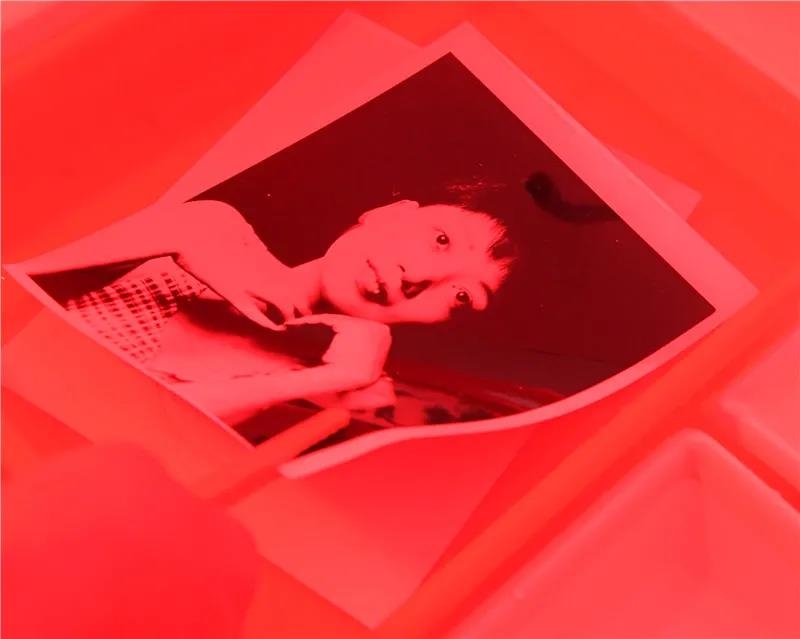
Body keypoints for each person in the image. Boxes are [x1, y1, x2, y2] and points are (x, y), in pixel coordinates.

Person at [36, 198, 516, 424]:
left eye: (462, 296)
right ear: (388, 212)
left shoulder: (339, 395)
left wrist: (328, 378)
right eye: (441, 239)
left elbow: (117, 444)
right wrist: (171, 235)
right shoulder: (211, 230)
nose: (419, 276)